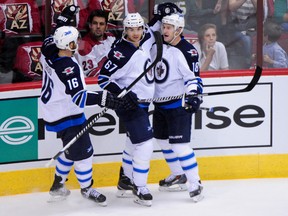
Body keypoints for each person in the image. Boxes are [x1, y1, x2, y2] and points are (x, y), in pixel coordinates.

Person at [39, 6, 127, 206]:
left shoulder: (49, 49)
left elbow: (54, 35)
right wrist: (106, 99)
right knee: (85, 152)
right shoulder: (68, 68)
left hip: (54, 109)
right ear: (68, 43)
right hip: (66, 113)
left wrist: (62, 20)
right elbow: (79, 98)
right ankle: (87, 188)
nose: (77, 42)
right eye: (74, 40)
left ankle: (58, 184)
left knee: (70, 149)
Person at [98, 3, 181, 205]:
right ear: (125, 31)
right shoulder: (121, 52)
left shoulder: (142, 41)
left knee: (132, 142)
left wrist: (162, 15)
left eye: (138, 29)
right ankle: (140, 186)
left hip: (143, 103)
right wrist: (122, 95)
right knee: (145, 144)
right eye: (131, 30)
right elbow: (103, 78)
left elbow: (152, 28)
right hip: (130, 105)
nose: (135, 33)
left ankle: (125, 180)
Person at [152, 13, 204, 202]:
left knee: (180, 145)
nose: (164, 30)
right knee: (163, 141)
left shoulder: (186, 51)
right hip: (159, 104)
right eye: (163, 26)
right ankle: (178, 174)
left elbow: (193, 78)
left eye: (168, 27)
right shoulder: (160, 47)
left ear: (179, 30)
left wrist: (193, 95)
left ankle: (195, 182)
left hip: (177, 106)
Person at [75, 9, 116, 77]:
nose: (98, 27)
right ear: (90, 25)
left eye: (101, 24)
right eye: (95, 23)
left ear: (106, 27)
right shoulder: (83, 46)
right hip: (97, 84)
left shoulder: (111, 37)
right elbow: (92, 73)